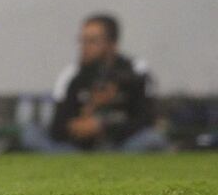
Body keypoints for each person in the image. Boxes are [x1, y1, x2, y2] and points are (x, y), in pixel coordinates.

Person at [22, 14, 168, 153]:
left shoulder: (134, 73)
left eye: (92, 41)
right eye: (82, 41)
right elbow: (58, 127)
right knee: (31, 134)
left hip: (121, 146)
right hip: (79, 148)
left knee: (151, 139)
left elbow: (145, 120)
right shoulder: (75, 75)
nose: (84, 47)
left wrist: (103, 127)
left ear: (112, 44)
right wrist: (85, 116)